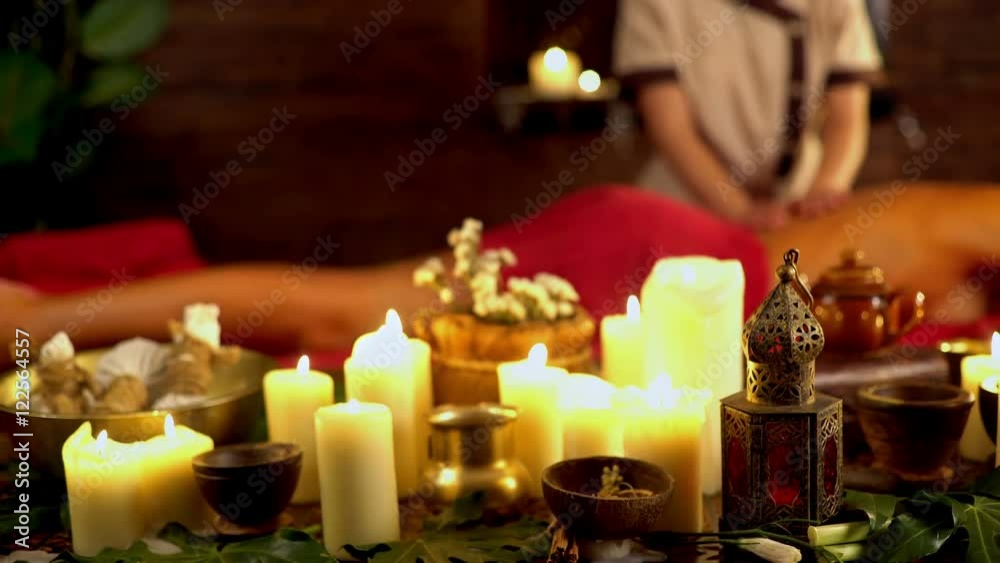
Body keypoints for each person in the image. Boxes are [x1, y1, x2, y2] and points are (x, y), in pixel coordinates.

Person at [2, 185, 998, 363]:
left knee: (328, 326)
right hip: (657, 271)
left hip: (684, 313)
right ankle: (35, 311)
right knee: (327, 314)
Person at [614, 0, 883, 230]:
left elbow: (847, 117)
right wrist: (740, 210)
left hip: (797, 207)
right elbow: (671, 128)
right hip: (686, 208)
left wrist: (824, 192)